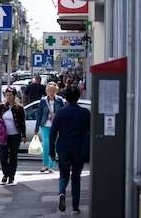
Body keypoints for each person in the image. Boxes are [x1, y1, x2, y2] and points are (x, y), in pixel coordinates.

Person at [49, 87, 90, 215]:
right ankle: (75, 207)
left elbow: (53, 133)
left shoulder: (61, 113)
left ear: (66, 98)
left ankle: (62, 193)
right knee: (76, 177)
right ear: (78, 97)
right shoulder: (84, 113)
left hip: (64, 148)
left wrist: (51, 150)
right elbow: (89, 132)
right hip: (79, 149)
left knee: (64, 174)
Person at [0, 86, 26, 184]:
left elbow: (22, 123)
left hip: (15, 135)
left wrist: (23, 135)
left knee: (13, 156)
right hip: (3, 136)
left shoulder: (19, 108)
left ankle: (11, 176)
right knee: (3, 156)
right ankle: (5, 174)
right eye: (7, 95)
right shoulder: (2, 107)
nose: (8, 97)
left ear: (14, 96)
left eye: (10, 95)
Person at [34, 82, 65, 172]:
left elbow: (63, 112)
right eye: (49, 91)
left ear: (56, 91)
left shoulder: (59, 100)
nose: (51, 92)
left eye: (53, 91)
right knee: (46, 144)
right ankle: (45, 165)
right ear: (47, 91)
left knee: (53, 145)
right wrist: (36, 128)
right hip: (44, 125)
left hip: (56, 126)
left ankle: (51, 166)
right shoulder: (43, 101)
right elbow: (39, 115)